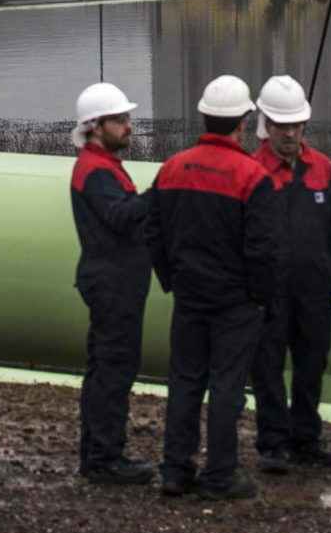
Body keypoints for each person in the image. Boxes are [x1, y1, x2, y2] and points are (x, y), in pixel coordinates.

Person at [145, 74, 276, 502]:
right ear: (241, 123)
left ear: (204, 117)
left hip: (189, 296)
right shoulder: (251, 176)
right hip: (235, 301)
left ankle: (175, 470)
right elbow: (261, 247)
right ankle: (220, 475)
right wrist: (259, 296)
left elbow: (154, 231)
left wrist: (171, 279)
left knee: (184, 382)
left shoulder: (172, 167)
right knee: (226, 387)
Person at [248, 75, 331, 475]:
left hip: (314, 291)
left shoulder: (322, 168)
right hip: (268, 293)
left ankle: (305, 437)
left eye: (295, 125)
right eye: (282, 125)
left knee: (312, 364)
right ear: (266, 126)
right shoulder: (251, 170)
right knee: (267, 368)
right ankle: (273, 443)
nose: (290, 133)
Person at [68, 80, 153, 486]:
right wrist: (158, 197)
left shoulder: (101, 167)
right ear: (95, 126)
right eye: (120, 119)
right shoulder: (98, 171)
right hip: (113, 285)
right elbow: (121, 217)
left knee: (104, 368)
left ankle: (97, 453)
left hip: (113, 283)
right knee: (114, 370)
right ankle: (105, 457)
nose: (129, 126)